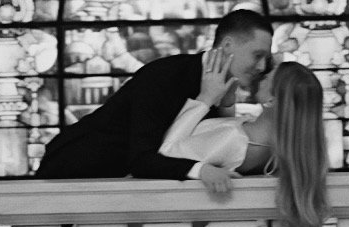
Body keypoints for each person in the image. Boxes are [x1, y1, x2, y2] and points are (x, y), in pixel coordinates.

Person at [34, 9, 275, 183]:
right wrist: (201, 170)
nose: (263, 66)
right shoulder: (165, 76)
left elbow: (205, 148)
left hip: (120, 187)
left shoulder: (222, 89)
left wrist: (225, 102)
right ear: (227, 45)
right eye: (257, 55)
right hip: (73, 168)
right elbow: (143, 158)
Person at [160, 59, 331, 227]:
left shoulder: (235, 139)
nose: (261, 77)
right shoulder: (269, 148)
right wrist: (227, 104)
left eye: (267, 78)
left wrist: (205, 98)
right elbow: (225, 147)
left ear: (272, 100)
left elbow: (166, 152)